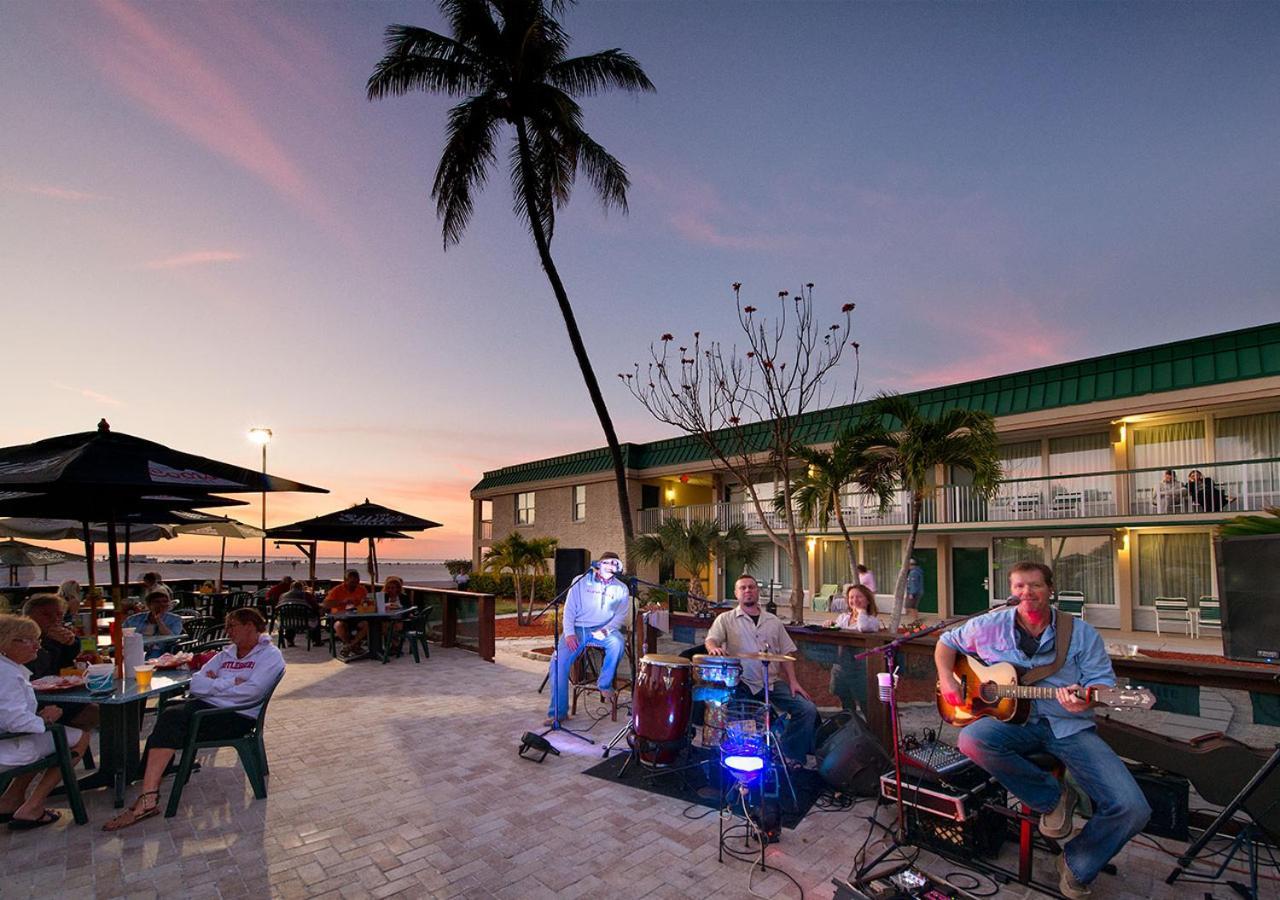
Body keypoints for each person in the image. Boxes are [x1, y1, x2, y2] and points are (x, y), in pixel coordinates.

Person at [935, 561, 1150, 899]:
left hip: (1068, 728)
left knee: (1133, 807)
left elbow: (1101, 685)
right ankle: (1053, 797)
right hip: (1012, 723)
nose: (1027, 593)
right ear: (1010, 591)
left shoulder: (1080, 634)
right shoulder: (990, 625)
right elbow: (947, 642)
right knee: (971, 739)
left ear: (1051, 590)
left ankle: (1079, 861)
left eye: (1035, 586)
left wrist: (1087, 701)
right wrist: (948, 680)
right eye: (1019, 586)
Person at [103, 608, 285, 830]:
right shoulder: (226, 654)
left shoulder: (270, 656)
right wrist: (229, 683)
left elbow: (252, 692)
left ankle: (148, 794)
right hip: (207, 707)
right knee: (171, 715)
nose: (228, 631)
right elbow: (197, 684)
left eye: (232, 626)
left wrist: (214, 685)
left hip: (237, 716)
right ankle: (149, 788)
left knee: (171, 719)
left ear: (250, 626)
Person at [705, 574, 818, 766]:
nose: (748, 591)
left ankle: (789, 753)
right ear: (736, 593)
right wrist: (713, 648)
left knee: (807, 709)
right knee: (744, 722)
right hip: (744, 683)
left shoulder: (773, 621)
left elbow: (787, 653)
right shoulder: (726, 619)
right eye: (743, 588)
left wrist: (793, 682)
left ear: (757, 591)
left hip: (771, 683)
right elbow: (711, 639)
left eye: (751, 587)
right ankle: (746, 759)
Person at [0, 615, 93, 831]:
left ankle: (11, 799)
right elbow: (15, 721)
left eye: (38, 640)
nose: (37, 646)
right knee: (79, 737)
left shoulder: (8, 667)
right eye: (30, 640)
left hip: (9, 740)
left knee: (45, 738)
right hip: (7, 747)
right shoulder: (7, 674)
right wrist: (44, 718)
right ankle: (33, 807)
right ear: (7, 641)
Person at [544, 552, 630, 725]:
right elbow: (569, 609)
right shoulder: (580, 580)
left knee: (618, 643)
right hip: (578, 628)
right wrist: (569, 633)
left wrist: (606, 630)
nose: (611, 566)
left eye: (615, 564)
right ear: (598, 564)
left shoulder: (621, 588)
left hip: (606, 629)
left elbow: (621, 615)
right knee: (557, 663)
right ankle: (558, 713)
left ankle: (604, 684)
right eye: (607, 563)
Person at [828, 584, 882, 714]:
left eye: (859, 597)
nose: (855, 600)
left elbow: (863, 628)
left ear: (868, 600)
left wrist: (861, 611)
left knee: (865, 703)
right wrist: (829, 624)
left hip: (861, 669)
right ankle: (851, 726)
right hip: (841, 666)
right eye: (851, 597)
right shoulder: (843, 618)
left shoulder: (872, 621)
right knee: (845, 701)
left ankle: (870, 730)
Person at [323, 570, 369, 658]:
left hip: (356, 617)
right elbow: (325, 604)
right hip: (340, 617)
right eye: (352, 582)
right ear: (345, 580)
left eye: (357, 582)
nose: (354, 585)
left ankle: (349, 646)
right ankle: (353, 646)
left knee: (367, 625)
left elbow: (367, 603)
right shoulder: (337, 590)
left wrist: (365, 602)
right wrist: (341, 602)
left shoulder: (362, 589)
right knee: (339, 625)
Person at [124, 592, 184, 659]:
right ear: (149, 605)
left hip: (161, 651)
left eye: (165, 601)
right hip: (136, 649)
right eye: (157, 602)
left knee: (153, 653)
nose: (162, 604)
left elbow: (171, 638)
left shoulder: (175, 619)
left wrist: (158, 620)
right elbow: (122, 634)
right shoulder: (133, 619)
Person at [278, 581, 321, 647]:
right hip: (305, 622)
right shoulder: (306, 595)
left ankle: (290, 640)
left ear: (291, 588)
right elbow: (315, 607)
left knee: (289, 615)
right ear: (302, 588)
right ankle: (315, 640)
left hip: (285, 622)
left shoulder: (282, 596)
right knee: (316, 614)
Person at [904, 558, 925, 626]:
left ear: (911, 565)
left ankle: (915, 620)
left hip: (914, 593)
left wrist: (911, 594)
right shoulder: (918, 571)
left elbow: (914, 584)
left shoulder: (913, 572)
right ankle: (916, 620)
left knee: (910, 607)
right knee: (914, 607)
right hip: (918, 592)